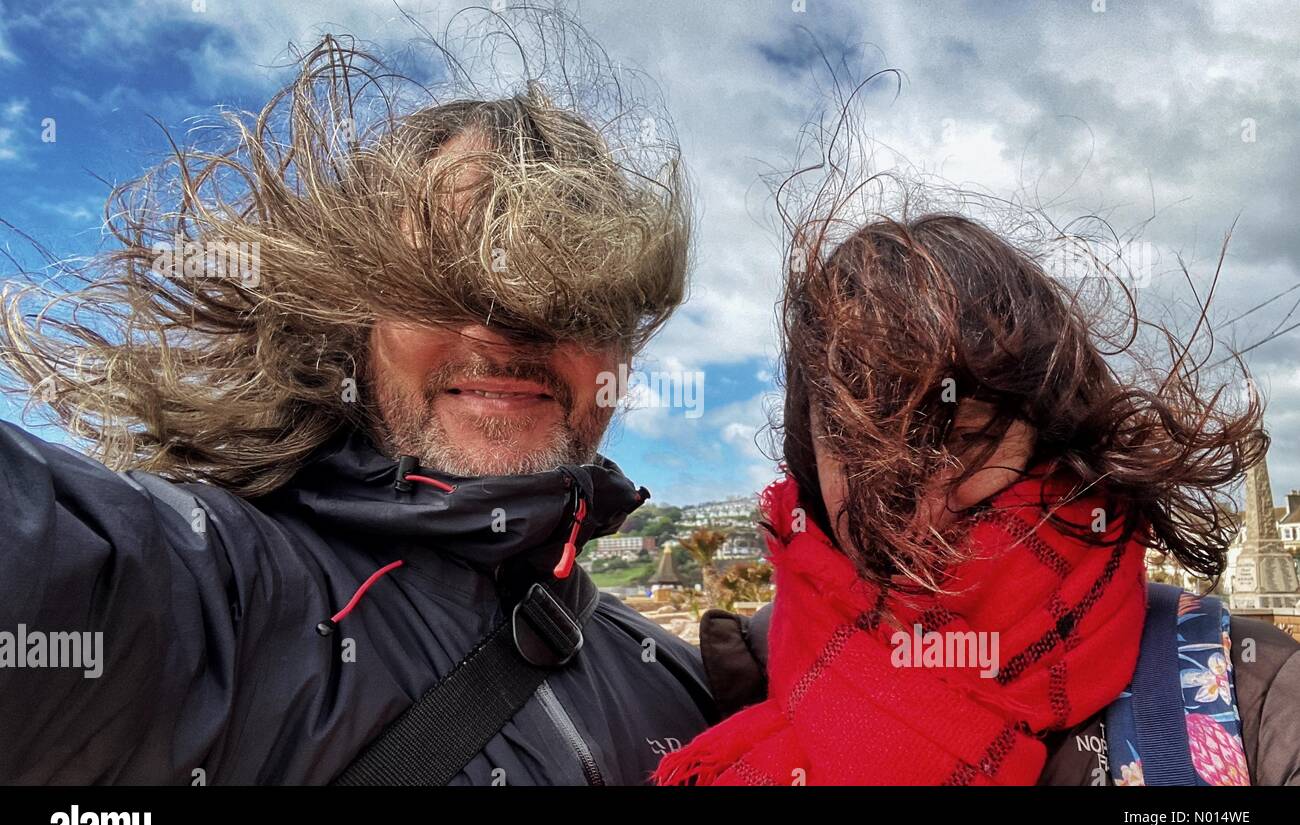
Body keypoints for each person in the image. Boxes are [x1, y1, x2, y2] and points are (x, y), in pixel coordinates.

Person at [0, 35, 713, 785]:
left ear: (622, 353)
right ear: (356, 326)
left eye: (573, 298)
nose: (503, 332)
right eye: (441, 279)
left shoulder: (683, 682)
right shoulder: (226, 598)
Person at [658, 213, 1300, 786]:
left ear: (1049, 437)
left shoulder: (1256, 694)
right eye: (859, 454)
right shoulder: (730, 670)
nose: (919, 510)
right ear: (810, 456)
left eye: (965, 441)